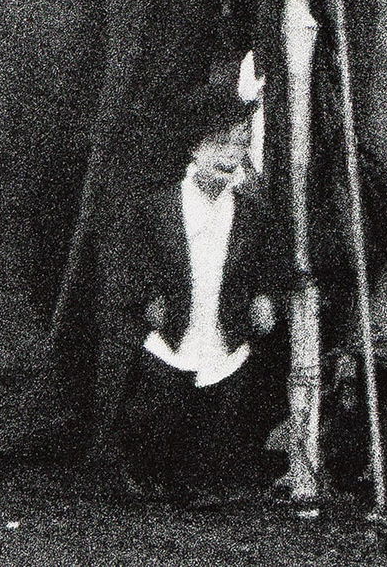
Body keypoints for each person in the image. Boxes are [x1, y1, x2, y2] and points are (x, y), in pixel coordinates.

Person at [116, 84, 288, 504]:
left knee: (222, 402)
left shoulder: (250, 213)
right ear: (194, 148)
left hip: (223, 322)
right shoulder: (160, 206)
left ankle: (205, 481)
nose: (231, 154)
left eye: (240, 143)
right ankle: (147, 474)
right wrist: (148, 298)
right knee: (157, 402)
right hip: (175, 323)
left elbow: (268, 263)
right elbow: (132, 260)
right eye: (220, 143)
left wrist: (265, 298)